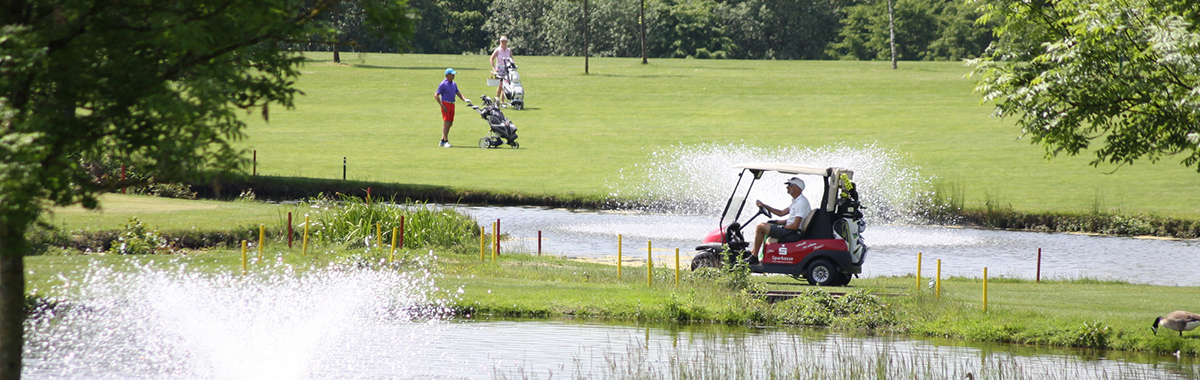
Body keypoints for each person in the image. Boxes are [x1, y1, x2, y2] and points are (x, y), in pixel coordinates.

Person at [749, 177, 812, 258]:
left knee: (760, 227)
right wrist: (765, 207)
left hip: (793, 233)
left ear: (797, 188)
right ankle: (753, 253)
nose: (787, 187)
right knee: (767, 224)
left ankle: (754, 256)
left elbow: (795, 226)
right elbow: (781, 213)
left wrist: (782, 227)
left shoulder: (801, 202)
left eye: (790, 185)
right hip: (791, 231)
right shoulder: (796, 201)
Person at [435, 68, 466, 148]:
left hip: (452, 104)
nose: (453, 76)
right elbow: (436, 95)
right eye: (452, 74)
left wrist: (464, 99)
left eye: (454, 74)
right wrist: (442, 105)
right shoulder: (443, 84)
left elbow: (458, 92)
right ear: (447, 75)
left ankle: (442, 140)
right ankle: (445, 141)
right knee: (446, 123)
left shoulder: (453, 84)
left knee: (450, 123)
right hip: (446, 104)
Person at [489, 36, 514, 103]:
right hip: (499, 69)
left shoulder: (508, 50)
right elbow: (491, 59)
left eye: (505, 42)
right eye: (502, 41)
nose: (503, 43)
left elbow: (512, 59)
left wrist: (512, 66)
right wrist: (494, 68)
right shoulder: (498, 50)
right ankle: (497, 99)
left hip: (507, 69)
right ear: (500, 42)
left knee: (505, 86)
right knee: (500, 85)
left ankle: (502, 101)